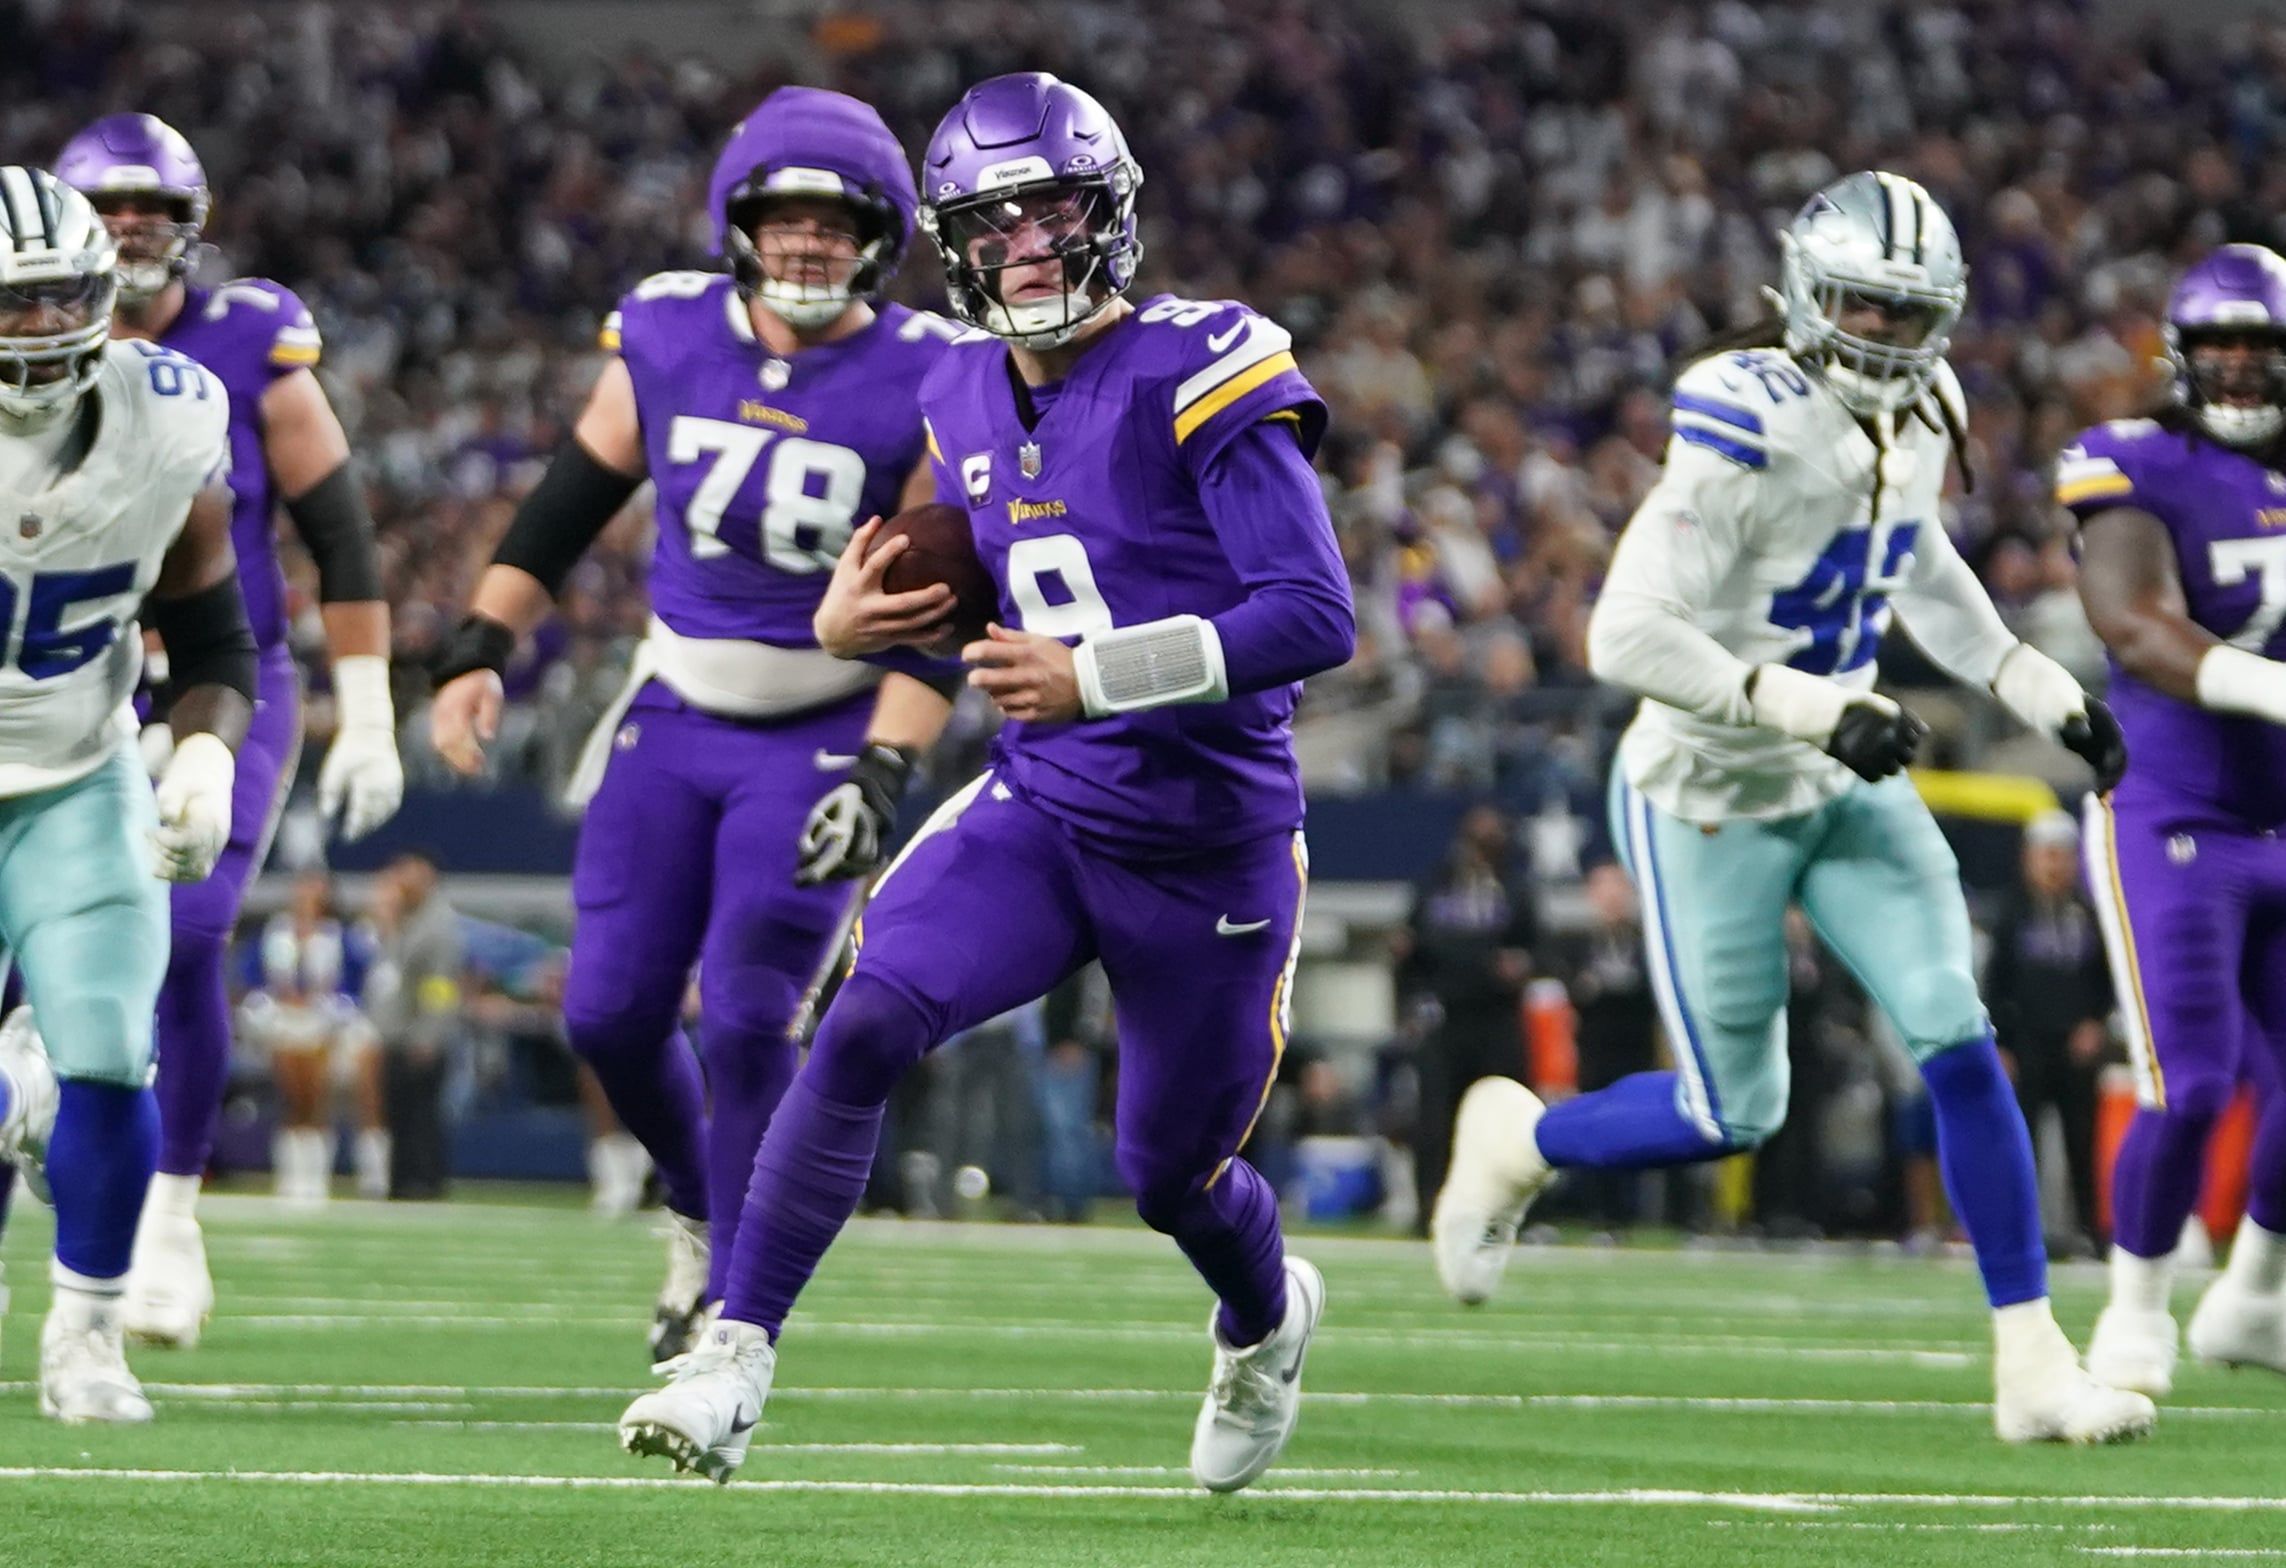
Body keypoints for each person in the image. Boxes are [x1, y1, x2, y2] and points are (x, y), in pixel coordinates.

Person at [617, 73, 1353, 1492]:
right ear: (951, 243)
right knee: (864, 1020)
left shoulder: (1199, 361)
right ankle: (734, 1353)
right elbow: (971, 572)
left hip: (1208, 839)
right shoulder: (948, 378)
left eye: (1055, 209)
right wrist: (846, 625)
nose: (1027, 244)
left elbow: (1312, 615)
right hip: (1046, 805)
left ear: (1111, 213)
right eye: (994, 220)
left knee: (1167, 1177)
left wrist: (1102, 676)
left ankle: (1265, 1319)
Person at [1431, 171, 2154, 1444]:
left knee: (1958, 1038)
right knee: (1733, 1112)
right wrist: (1812, 706)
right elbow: (1622, 632)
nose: (1881, 334)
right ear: (1805, 299)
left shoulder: (1929, 405)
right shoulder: (1742, 415)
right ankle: (1519, 1136)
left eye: (1905, 311)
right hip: (1709, 796)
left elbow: (1911, 557)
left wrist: (2029, 678)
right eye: (1859, 307)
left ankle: (2034, 1364)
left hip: (1844, 781)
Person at [427, 88, 958, 1362]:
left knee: (744, 1013)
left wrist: (886, 767)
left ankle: (735, 1298)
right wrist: (477, 646)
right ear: (742, 222)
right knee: (605, 1011)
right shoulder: (666, 326)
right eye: (786, 219)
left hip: (821, 724)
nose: (810, 244)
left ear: (882, 235)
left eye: (838, 222)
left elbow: (946, 595)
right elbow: (568, 500)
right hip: (672, 713)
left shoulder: (933, 365)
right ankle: (697, 1200)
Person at [48, 113, 401, 1349]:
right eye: (111, 207)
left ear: (191, 225)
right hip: (54, 689)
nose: (133, 228)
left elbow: (343, 533)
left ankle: (171, 1216)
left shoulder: (252, 339)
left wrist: (368, 711)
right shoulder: (22, 330)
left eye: (155, 207)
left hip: (221, 681)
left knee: (191, 931)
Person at [0, 167, 257, 1420]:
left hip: (76, 769)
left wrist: (203, 752)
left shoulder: (171, 412)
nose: (40, 330)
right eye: (13, 305)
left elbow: (214, 638)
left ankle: (86, 1337)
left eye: (60, 301)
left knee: (110, 1050)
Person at [2065, 243, 2286, 1395]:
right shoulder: (2132, 462)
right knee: (2190, 1080)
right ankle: (2138, 1304)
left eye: (2262, 346)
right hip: (2174, 810)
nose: (2241, 367)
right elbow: (2135, 621)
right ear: (2183, 356)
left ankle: (2253, 1294)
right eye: (2220, 347)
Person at [1396, 804, 1539, 1227]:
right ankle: (1431, 1209)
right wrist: (1408, 1000)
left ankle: (1502, 1211)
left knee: (1501, 1118)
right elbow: (1410, 950)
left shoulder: (1515, 888)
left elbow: (1538, 948)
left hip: (1496, 1018)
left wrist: (1521, 966)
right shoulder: (1436, 885)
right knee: (1436, 1118)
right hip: (1445, 1016)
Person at [1983, 809, 2110, 1255]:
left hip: (2077, 1047)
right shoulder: (2012, 913)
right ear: (2029, 859)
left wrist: (2096, 1022)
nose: (2054, 865)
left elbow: (2106, 980)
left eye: (2062, 856)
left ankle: (2090, 1233)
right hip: (2027, 1044)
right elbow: (1996, 983)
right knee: (2023, 1144)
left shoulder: (2089, 914)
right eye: (2046, 855)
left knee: (2082, 1143)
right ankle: (2022, 1234)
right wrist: (2000, 1043)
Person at [361, 851, 464, 1200]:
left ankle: (423, 1180)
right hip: (396, 1033)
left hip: (419, 1036)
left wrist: (429, 1034)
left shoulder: (437, 927)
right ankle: (401, 1178)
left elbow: (440, 987)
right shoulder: (404, 921)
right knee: (399, 1111)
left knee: (421, 1113)